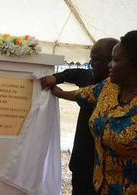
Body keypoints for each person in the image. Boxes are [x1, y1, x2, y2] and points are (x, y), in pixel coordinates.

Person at [51, 30, 137, 194]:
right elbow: (83, 94)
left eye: (115, 60)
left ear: (134, 66)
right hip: (100, 187)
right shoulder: (109, 87)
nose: (110, 64)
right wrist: (57, 91)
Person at [40, 38, 118, 195]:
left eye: (96, 59)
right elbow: (73, 73)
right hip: (82, 156)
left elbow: (89, 96)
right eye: (91, 58)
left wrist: (62, 94)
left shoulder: (116, 86)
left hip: (105, 164)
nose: (91, 62)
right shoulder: (89, 76)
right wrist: (56, 78)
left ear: (112, 61)